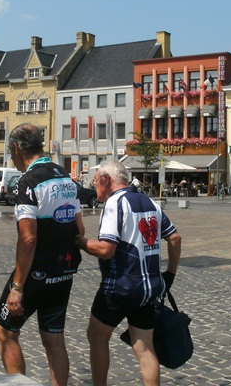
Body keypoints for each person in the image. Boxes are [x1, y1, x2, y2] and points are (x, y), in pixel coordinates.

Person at [0, 123, 85, 386]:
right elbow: (79, 228)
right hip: (63, 273)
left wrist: (17, 286)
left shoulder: (28, 181)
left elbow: (28, 238)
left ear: (16, 148)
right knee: (54, 340)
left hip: (36, 273)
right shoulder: (65, 176)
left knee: (5, 332)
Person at [77, 159, 181, 386]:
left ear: (106, 180)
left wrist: (79, 241)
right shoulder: (151, 203)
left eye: (96, 181)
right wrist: (170, 275)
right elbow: (174, 238)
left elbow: (106, 249)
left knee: (96, 336)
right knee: (144, 348)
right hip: (149, 290)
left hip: (120, 288)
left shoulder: (115, 204)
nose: (95, 187)